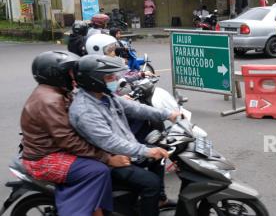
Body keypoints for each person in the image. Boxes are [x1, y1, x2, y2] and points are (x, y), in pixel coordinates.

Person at [21, 50, 130, 216]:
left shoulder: (57, 92)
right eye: (69, 72)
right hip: (44, 158)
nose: (74, 77)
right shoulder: (49, 100)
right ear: (55, 74)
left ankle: (98, 209)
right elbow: (68, 139)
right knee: (97, 170)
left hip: (54, 149)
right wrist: (106, 158)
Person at [69, 54, 180, 216]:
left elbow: (135, 108)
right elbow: (109, 141)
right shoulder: (85, 110)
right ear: (94, 79)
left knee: (159, 158)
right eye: (110, 76)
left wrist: (167, 114)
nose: (115, 79)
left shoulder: (104, 96)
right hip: (108, 160)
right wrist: (146, 151)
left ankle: (154, 201)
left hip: (124, 150)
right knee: (151, 183)